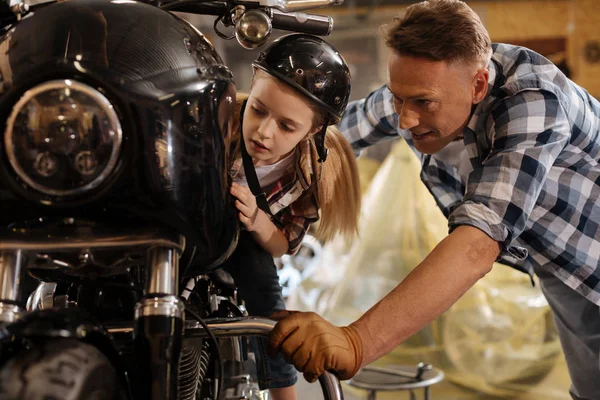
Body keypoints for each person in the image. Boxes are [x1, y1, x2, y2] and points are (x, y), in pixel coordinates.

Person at [267, 1, 600, 399]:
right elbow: (328, 140)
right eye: (397, 99)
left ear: (478, 85)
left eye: (423, 103)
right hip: (563, 265)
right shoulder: (422, 89)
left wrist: (357, 341)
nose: (405, 120)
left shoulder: (532, 100)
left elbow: (478, 243)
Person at [222, 33, 361, 400]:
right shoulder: (215, 124)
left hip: (243, 238)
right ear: (251, 88)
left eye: (286, 126)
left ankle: (285, 393)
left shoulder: (306, 177)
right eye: (258, 109)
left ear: (314, 130)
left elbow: (283, 245)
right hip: (188, 227)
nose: (264, 132)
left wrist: (256, 219)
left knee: (268, 299)